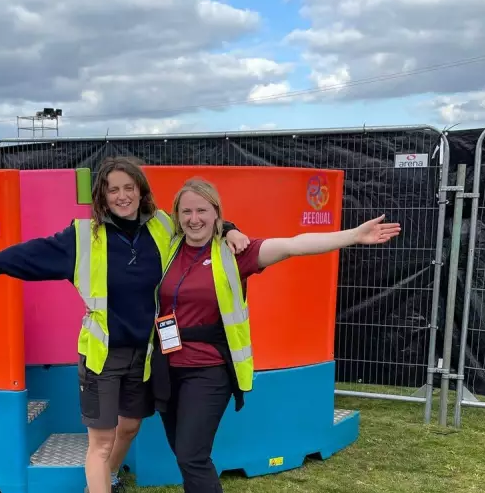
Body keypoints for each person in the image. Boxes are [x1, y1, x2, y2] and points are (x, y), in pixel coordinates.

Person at [0, 157, 251, 493]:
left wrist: (231, 230)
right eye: (113, 190)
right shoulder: (82, 236)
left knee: (130, 428)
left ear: (141, 191)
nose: (122, 196)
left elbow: (200, 224)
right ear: (102, 196)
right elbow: (29, 255)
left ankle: (101, 483)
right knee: (101, 443)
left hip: (147, 355)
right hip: (102, 355)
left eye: (128, 187)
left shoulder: (162, 226)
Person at [149, 177, 401, 492]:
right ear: (176, 214)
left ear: (216, 213)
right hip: (167, 368)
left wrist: (353, 235)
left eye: (202, 210)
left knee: (191, 455)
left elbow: (293, 245)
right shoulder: (168, 245)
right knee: (184, 455)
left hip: (209, 370)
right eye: (186, 211)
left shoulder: (236, 251)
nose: (194, 218)